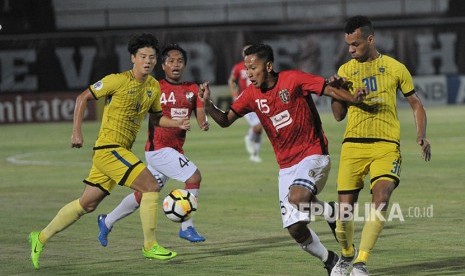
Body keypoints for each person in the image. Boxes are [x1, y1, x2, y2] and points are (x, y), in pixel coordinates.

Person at [199, 43, 366, 275]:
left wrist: (353, 99)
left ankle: (331, 213)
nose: (248, 73)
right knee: (296, 229)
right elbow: (226, 120)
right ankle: (330, 260)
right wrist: (207, 104)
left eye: (253, 68)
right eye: (246, 68)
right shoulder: (250, 95)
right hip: (286, 166)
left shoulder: (294, 79)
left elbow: (328, 89)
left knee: (297, 197)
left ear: (268, 66)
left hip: (313, 153)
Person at [28, 33, 190, 270]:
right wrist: (76, 132)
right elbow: (83, 97)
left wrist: (176, 123)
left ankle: (39, 238)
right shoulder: (117, 80)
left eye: (152, 57)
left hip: (118, 152)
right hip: (108, 149)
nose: (147, 61)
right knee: (151, 186)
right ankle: (150, 245)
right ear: (133, 58)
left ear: (156, 61)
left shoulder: (153, 87)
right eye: (142, 56)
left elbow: (155, 118)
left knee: (87, 204)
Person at [329, 16, 431, 276]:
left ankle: (361, 263)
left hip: (386, 145)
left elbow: (416, 104)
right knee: (343, 218)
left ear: (370, 39)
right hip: (353, 145)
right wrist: (339, 92)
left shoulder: (396, 68)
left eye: (355, 44)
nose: (350, 50)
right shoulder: (345, 71)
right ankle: (347, 254)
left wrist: (421, 135)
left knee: (382, 197)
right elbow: (338, 115)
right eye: (348, 45)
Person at [97, 43, 208, 246]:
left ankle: (107, 220)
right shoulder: (155, 87)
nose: (176, 65)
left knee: (144, 194)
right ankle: (187, 227)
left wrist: (204, 102)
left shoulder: (192, 89)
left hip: (173, 150)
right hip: (158, 149)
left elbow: (202, 124)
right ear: (163, 65)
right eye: (171, 61)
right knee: (194, 176)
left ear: (185, 65)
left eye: (180, 61)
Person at [228, 44, 263, 162]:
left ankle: (255, 154)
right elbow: (232, 81)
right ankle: (249, 138)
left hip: (259, 99)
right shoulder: (238, 67)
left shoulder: (259, 65)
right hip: (246, 101)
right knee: (257, 126)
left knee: (260, 127)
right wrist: (234, 95)